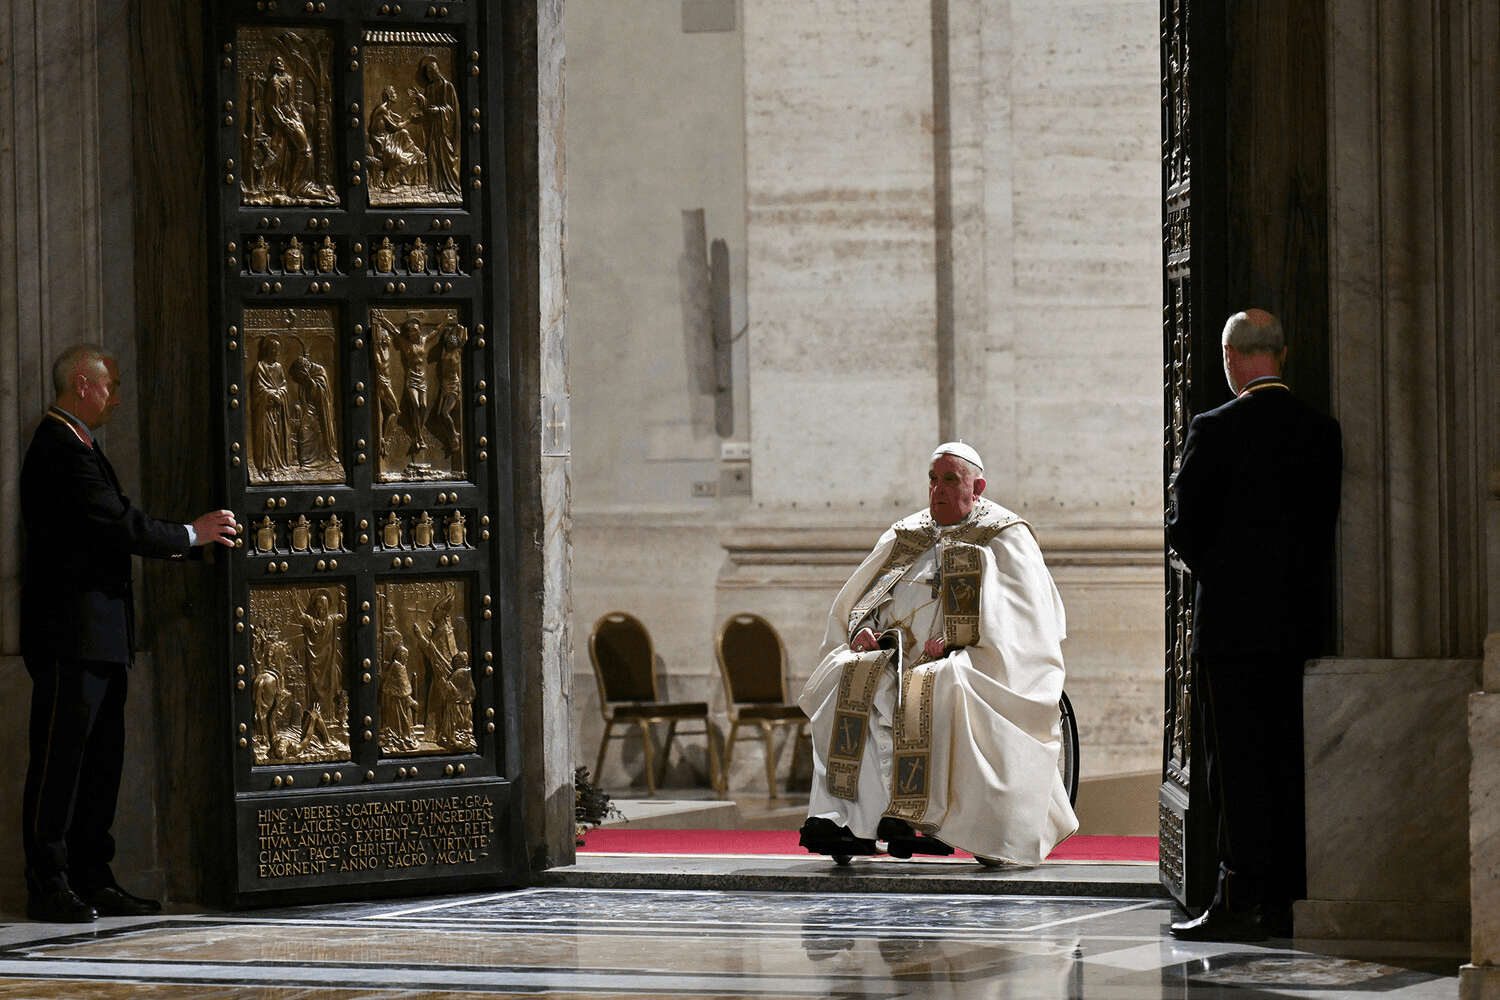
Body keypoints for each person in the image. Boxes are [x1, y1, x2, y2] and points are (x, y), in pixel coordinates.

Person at [19, 344, 236, 922]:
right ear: (82, 386)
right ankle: (49, 881)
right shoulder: (57, 446)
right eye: (110, 385)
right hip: (71, 636)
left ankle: (93, 876)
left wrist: (192, 543)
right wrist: (190, 535)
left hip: (101, 635)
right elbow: (117, 524)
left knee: (101, 764)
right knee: (60, 763)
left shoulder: (81, 442)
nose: (117, 396)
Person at [797, 443, 1078, 865]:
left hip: (974, 659)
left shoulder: (1004, 534)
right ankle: (844, 821)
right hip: (893, 656)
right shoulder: (907, 533)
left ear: (976, 486)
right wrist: (863, 631)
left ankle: (920, 818)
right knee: (846, 673)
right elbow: (862, 599)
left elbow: (1026, 621)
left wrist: (960, 641)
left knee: (940, 683)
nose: (938, 490)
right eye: (933, 479)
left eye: (950, 479)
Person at [1166, 309, 1342, 941]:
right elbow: (1323, 532)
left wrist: (1231, 575)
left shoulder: (1214, 429)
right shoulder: (1321, 432)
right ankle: (1290, 899)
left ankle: (1240, 899)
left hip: (1233, 629)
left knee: (1234, 763)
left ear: (1229, 358)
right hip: (1298, 624)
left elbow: (1182, 530)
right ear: (1283, 355)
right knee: (1292, 755)